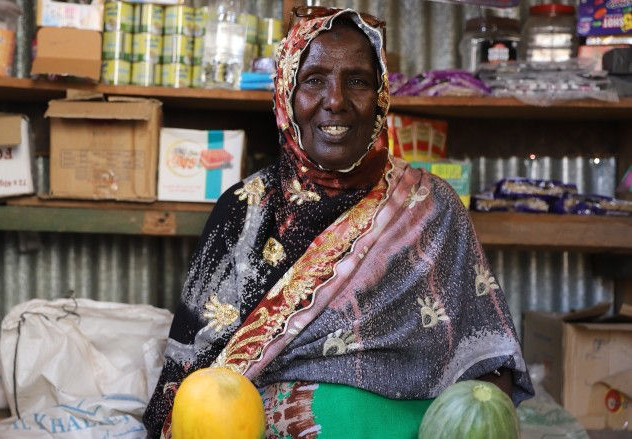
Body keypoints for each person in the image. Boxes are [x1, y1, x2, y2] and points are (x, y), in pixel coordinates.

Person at [144, 7, 533, 438]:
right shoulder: (244, 210)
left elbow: (490, 369)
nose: (335, 100)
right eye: (314, 80)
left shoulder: (432, 206)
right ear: (286, 94)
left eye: (358, 81)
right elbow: (193, 380)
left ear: (381, 95)